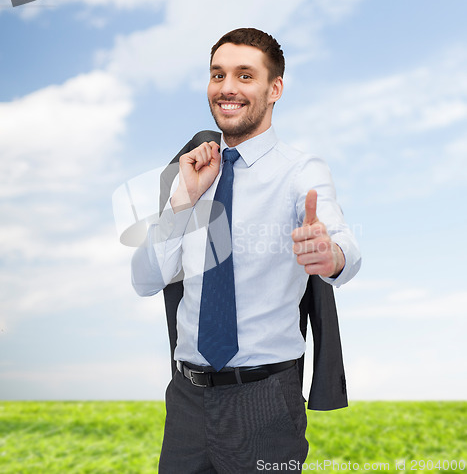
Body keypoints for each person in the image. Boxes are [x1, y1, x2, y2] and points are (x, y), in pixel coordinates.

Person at [131, 28, 361, 473]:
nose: (227, 88)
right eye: (218, 75)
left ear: (274, 88)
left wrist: (329, 254)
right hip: (186, 401)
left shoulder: (300, 171)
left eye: (244, 75)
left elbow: (345, 247)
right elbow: (144, 280)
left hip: (264, 402)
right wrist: (182, 204)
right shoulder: (193, 170)